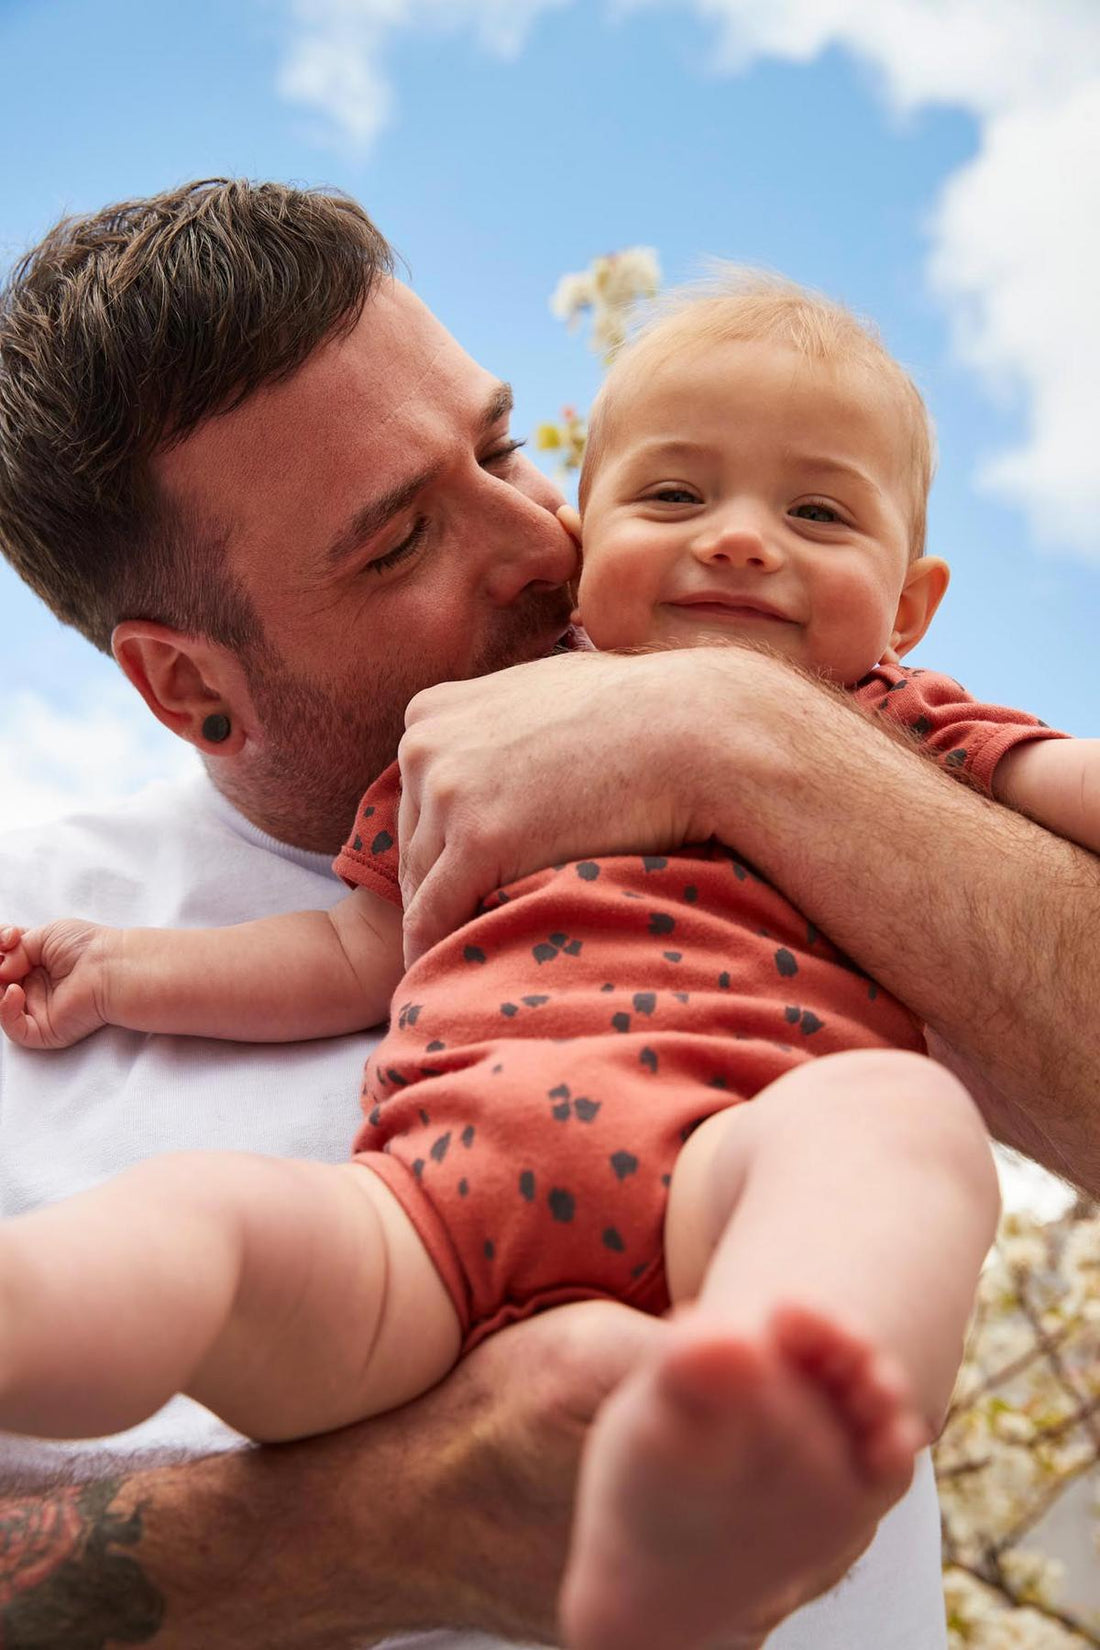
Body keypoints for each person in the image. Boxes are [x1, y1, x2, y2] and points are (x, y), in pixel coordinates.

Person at [0, 183, 1096, 1650]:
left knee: (894, 1118)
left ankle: (779, 1397)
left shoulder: (864, 759)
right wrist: (388, 1521)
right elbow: (350, 953)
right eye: (398, 542)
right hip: (428, 1223)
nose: (538, 535)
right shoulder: (66, 914)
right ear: (188, 684)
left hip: (723, 1174)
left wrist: (733, 729)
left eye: (510, 445)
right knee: (206, 1229)